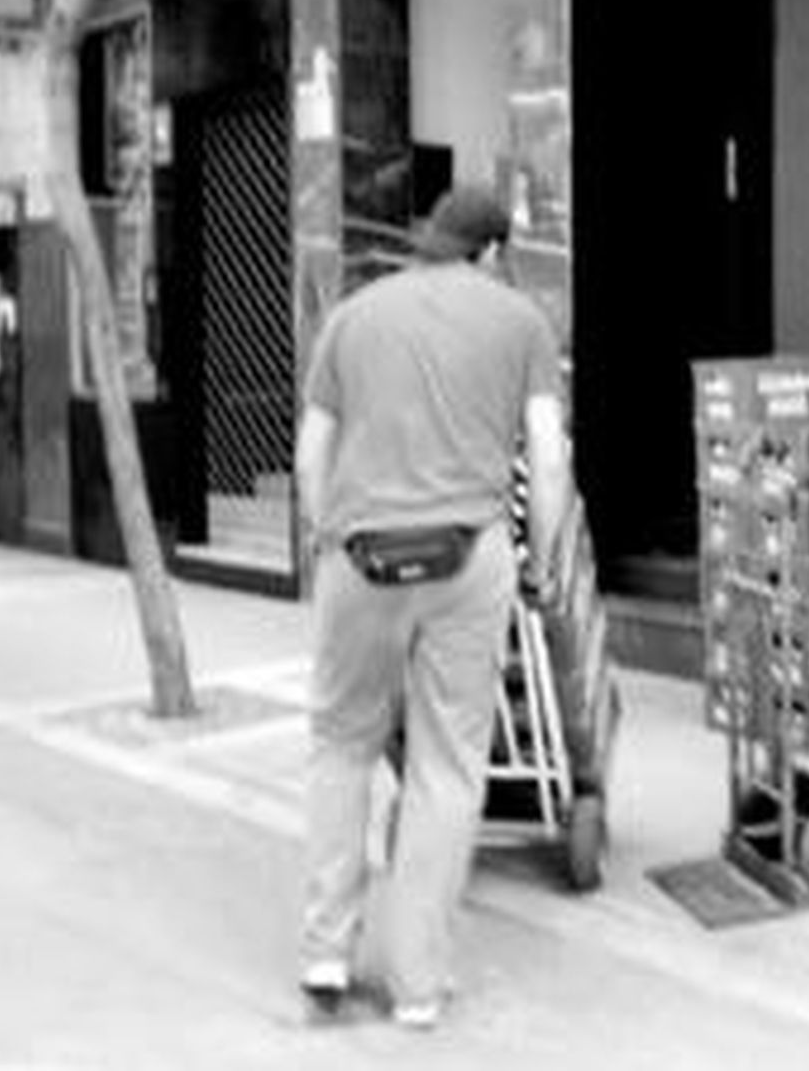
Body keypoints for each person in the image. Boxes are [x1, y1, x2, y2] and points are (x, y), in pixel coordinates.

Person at [294, 184, 570, 1026]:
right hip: (466, 556)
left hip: (360, 556)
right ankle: (416, 986)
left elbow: (313, 451)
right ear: (490, 253)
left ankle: (327, 954)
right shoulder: (521, 321)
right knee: (447, 766)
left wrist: (326, 539)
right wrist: (542, 563)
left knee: (342, 746)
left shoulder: (353, 316)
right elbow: (548, 457)